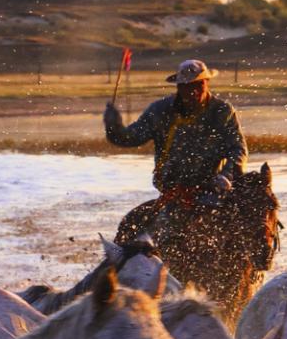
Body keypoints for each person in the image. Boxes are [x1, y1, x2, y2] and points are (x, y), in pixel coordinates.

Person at [105, 58, 250, 246]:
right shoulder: (160, 111)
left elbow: (238, 149)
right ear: (179, 88)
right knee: (144, 233)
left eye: (199, 85)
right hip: (173, 194)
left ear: (207, 83)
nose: (194, 91)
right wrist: (113, 127)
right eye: (188, 87)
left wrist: (227, 175)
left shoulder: (222, 111)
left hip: (213, 191)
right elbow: (130, 138)